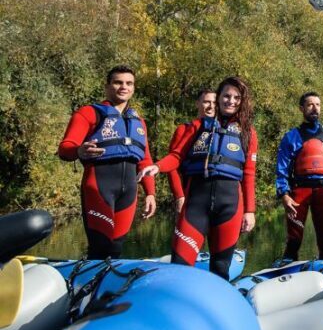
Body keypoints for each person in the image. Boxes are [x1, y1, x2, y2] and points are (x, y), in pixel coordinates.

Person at [139, 76, 257, 278]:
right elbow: (177, 156)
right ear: (218, 98)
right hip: (196, 203)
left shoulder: (248, 134)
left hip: (230, 206)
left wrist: (250, 211)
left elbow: (248, 174)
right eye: (226, 95)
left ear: (242, 101)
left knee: (220, 269)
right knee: (180, 266)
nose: (231, 101)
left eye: (236, 97)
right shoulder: (197, 126)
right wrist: (157, 167)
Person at [58, 65, 156, 259]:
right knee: (100, 246)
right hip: (99, 186)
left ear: (133, 88)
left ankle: (108, 288)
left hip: (128, 191)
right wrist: (79, 150)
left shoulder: (139, 121)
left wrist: (151, 193)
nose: (123, 87)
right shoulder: (89, 113)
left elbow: (145, 161)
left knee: (116, 248)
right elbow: (65, 148)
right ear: (107, 86)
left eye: (129, 83)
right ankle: (87, 287)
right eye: (118, 82)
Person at [275, 92, 323, 260]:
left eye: (318, 105)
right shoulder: (291, 137)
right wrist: (284, 195)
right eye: (310, 105)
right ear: (302, 109)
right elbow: (282, 169)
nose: (315, 108)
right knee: (294, 240)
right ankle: (286, 275)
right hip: (299, 192)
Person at [166, 89, 217, 214]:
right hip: (190, 194)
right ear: (197, 103)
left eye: (214, 102)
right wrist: (179, 196)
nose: (211, 106)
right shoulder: (183, 129)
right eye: (206, 102)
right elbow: (172, 167)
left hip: (217, 197)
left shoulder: (224, 133)